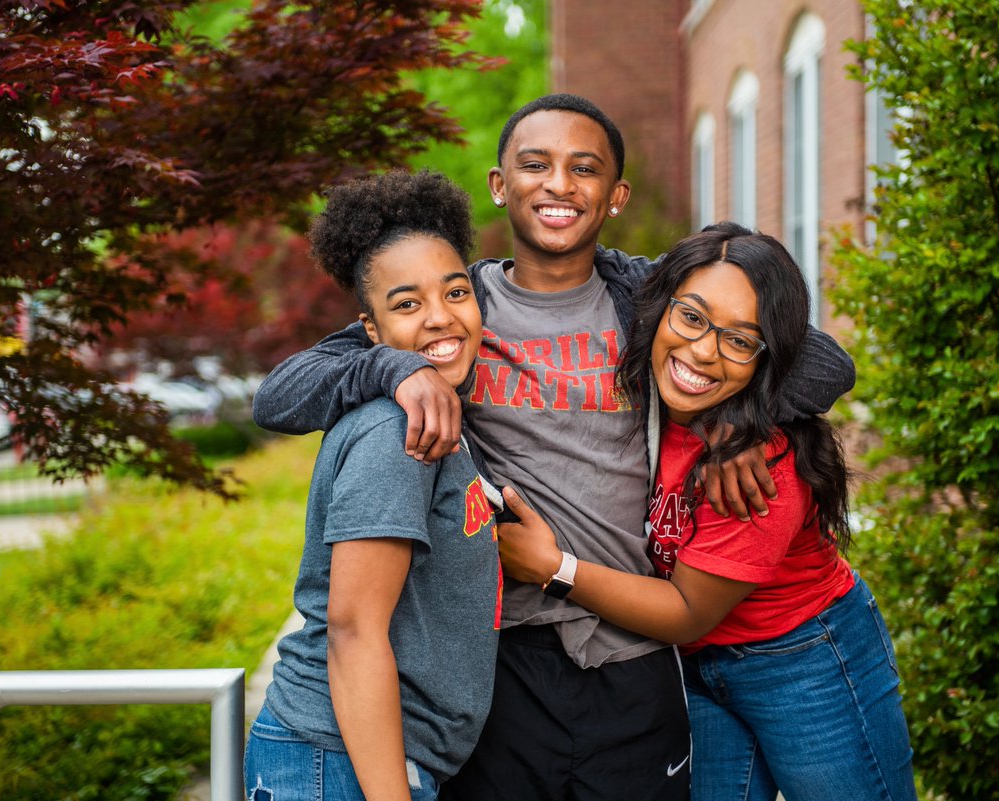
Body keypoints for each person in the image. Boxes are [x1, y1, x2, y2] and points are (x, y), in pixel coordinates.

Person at [251, 95, 856, 801]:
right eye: (535, 164)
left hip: (634, 655)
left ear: (616, 195)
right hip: (503, 661)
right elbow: (280, 395)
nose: (560, 185)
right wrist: (400, 369)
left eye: (585, 168)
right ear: (500, 186)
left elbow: (821, 366)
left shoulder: (649, 302)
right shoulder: (456, 308)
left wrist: (740, 422)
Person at [498, 223, 917, 801]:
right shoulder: (648, 391)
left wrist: (554, 568)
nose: (702, 351)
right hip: (693, 670)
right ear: (659, 308)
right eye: (691, 318)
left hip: (803, 662)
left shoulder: (759, 469)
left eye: (740, 341)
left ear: (767, 358)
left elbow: (688, 611)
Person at [244, 170, 503, 801]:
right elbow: (353, 629)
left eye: (456, 293)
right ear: (371, 330)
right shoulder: (397, 431)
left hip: (368, 758)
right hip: (337, 764)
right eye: (407, 304)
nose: (441, 319)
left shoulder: (437, 409)